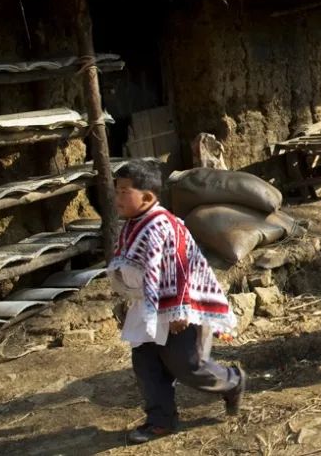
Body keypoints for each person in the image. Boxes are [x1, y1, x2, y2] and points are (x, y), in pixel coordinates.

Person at [108, 160, 244, 445]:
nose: (117, 197)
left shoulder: (164, 225)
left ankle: (233, 381)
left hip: (180, 310)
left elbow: (182, 268)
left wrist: (179, 310)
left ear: (146, 196)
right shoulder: (133, 226)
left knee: (188, 366)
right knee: (146, 365)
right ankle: (161, 421)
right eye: (117, 191)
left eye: (124, 191)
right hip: (149, 307)